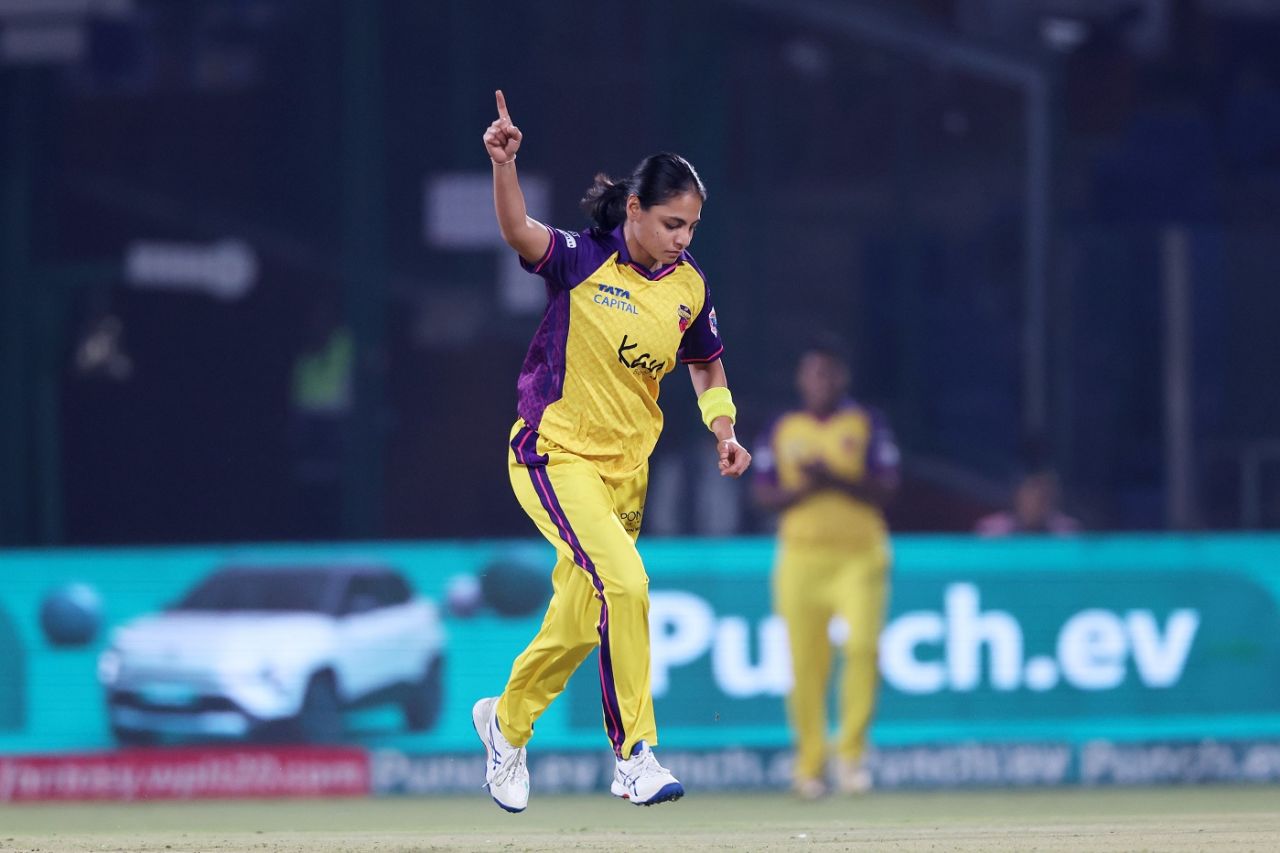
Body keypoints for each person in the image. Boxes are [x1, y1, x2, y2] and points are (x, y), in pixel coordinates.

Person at [472, 90, 751, 813]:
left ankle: (504, 724)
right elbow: (515, 229)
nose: (681, 237)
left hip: (627, 475)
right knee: (625, 584)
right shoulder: (581, 258)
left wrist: (723, 429)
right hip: (554, 454)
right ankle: (633, 756)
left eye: (691, 225)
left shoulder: (688, 286)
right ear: (633, 209)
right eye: (669, 223)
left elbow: (706, 363)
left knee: (576, 620)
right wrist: (505, 165)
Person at [753, 341, 899, 799]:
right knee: (806, 666)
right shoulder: (782, 428)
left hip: (859, 555)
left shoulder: (866, 423)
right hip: (800, 558)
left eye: (830, 375)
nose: (822, 384)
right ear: (802, 380)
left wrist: (832, 477)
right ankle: (810, 766)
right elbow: (762, 494)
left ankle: (851, 757)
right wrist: (808, 487)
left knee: (861, 648)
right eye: (814, 375)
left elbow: (887, 488)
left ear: (843, 379)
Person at [974, 468, 1081, 536]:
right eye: (1032, 494)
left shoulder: (1068, 532)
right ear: (1018, 496)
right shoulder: (992, 531)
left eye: (1044, 496)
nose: (1038, 502)